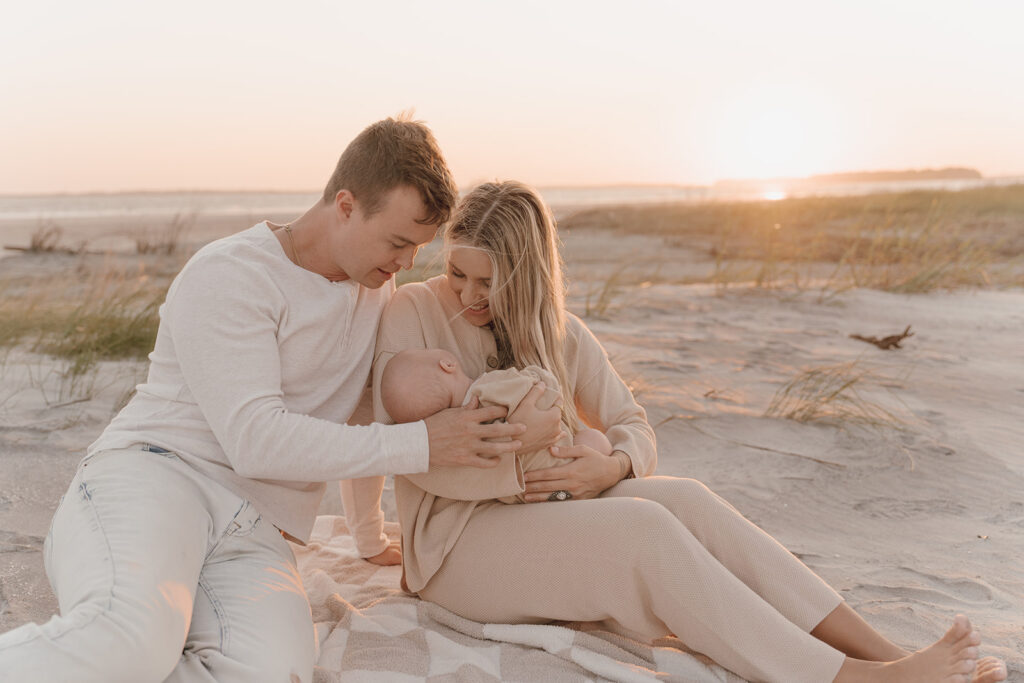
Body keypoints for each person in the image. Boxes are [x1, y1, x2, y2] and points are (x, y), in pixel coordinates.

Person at [346, 180, 1008, 683]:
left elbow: (635, 427)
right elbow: (413, 456)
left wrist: (611, 467)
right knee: (645, 531)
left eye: (488, 280)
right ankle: (848, 679)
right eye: (457, 270)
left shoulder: (561, 335)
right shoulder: (412, 313)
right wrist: (519, 473)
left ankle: (886, 652)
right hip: (455, 549)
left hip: (553, 512)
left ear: (529, 275)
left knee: (689, 499)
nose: (465, 292)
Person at [0, 117, 530, 683]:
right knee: (128, 641)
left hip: (257, 530)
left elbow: (359, 413)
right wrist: (424, 444)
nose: (405, 262)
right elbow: (258, 440)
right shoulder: (231, 273)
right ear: (345, 205)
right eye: (398, 242)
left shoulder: (376, 291)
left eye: (417, 249)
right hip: (155, 480)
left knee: (273, 674)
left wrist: (372, 534)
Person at [380, 347, 612, 503]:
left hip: (528, 494)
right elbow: (544, 390)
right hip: (563, 464)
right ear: (447, 365)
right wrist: (538, 375)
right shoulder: (489, 387)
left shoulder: (461, 441)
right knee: (594, 439)